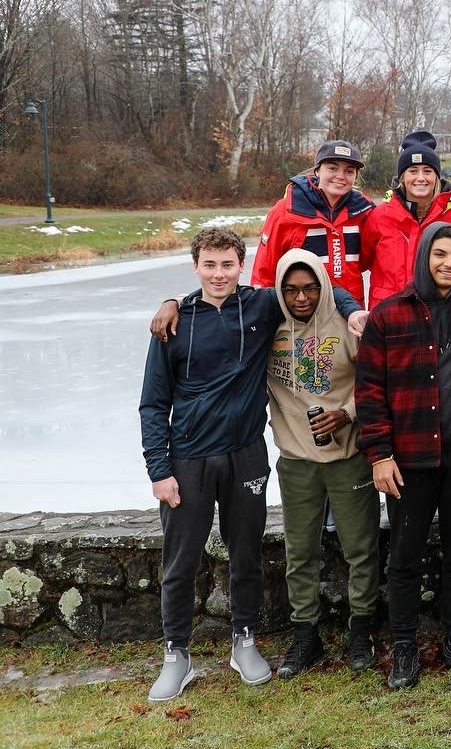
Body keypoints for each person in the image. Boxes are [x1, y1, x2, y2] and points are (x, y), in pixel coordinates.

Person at [139, 228, 363, 702]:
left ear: (241, 266)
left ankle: (245, 639)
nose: (219, 274)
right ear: (196, 266)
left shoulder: (263, 305)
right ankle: (176, 654)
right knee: (180, 562)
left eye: (228, 265)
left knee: (246, 554)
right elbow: (153, 404)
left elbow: (322, 286)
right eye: (209, 265)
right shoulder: (173, 325)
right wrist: (159, 469)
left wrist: (352, 308)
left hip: (246, 453)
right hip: (189, 456)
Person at [355, 223, 451, 689]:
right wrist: (380, 455)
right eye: (440, 254)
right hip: (410, 456)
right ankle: (404, 645)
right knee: (405, 555)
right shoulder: (389, 316)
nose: (449, 264)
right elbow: (370, 393)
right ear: (424, 256)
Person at [267, 251, 382, 679]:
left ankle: (362, 627)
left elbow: (374, 381)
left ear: (324, 286)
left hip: (348, 457)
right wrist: (173, 303)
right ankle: (305, 632)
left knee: (360, 548)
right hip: (296, 459)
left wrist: (347, 413)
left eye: (310, 288)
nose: (301, 298)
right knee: (300, 551)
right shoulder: (269, 325)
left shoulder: (347, 325)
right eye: (291, 289)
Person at [252, 140, 375, 304]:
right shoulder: (284, 211)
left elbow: (368, 260)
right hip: (302, 312)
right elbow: (264, 271)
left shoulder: (364, 212)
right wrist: (262, 313)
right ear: (317, 170)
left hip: (351, 313)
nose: (340, 176)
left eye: (349, 171)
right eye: (332, 168)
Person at [365, 129, 451, 307]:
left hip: (437, 311)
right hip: (387, 312)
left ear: (436, 177)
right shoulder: (380, 215)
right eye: (413, 171)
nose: (420, 178)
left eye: (427, 171)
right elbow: (363, 260)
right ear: (403, 177)